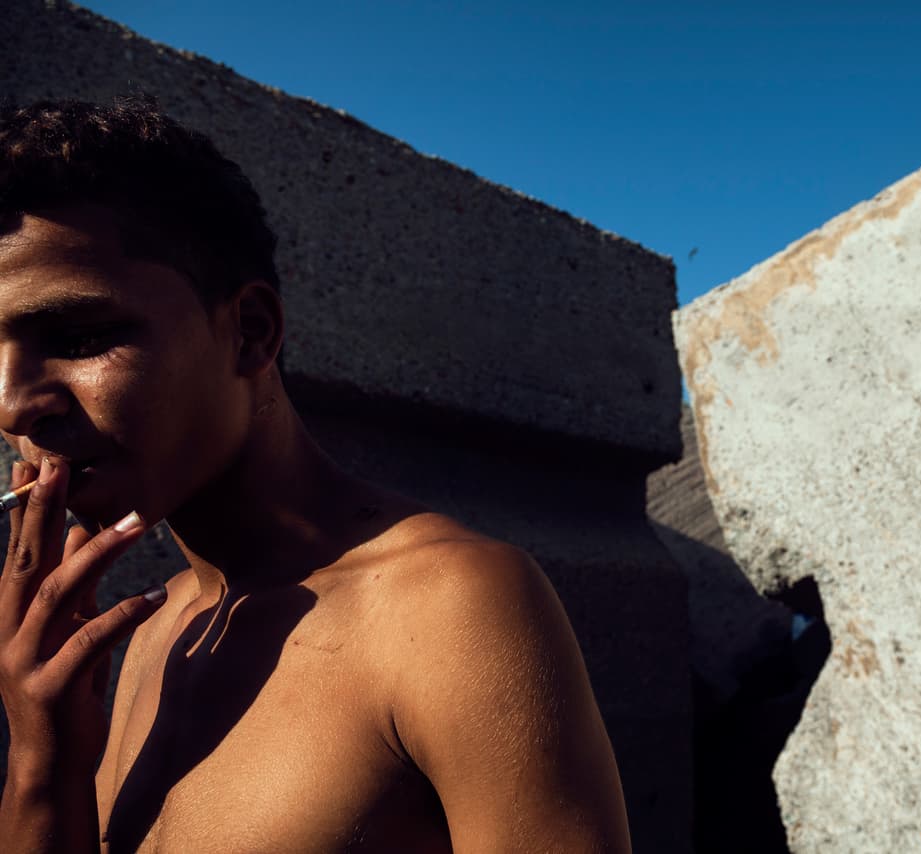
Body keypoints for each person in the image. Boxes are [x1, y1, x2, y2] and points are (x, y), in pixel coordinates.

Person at [0, 98, 631, 852]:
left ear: (250, 332)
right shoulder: (150, 633)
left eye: (78, 336)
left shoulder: (446, 608)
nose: (12, 406)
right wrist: (45, 767)